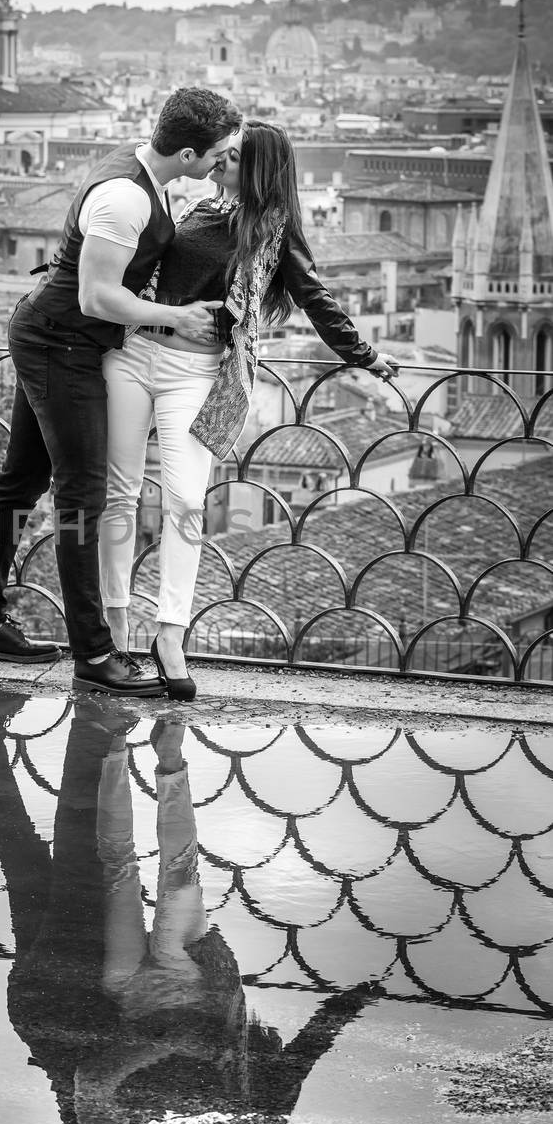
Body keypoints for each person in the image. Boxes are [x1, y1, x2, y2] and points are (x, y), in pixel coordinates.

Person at [0, 689, 380, 1124]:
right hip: (109, 992)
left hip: (68, 996)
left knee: (83, 862)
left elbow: (92, 1080)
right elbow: (295, 1064)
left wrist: (165, 1041)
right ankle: (75, 736)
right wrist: (350, 1005)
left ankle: (85, 735)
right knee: (82, 861)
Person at [98, 120, 401, 700]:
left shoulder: (274, 233)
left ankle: (168, 634)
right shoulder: (195, 208)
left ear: (257, 168)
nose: (218, 162)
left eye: (231, 156)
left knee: (184, 501)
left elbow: (315, 297)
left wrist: (364, 354)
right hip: (134, 357)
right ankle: (113, 628)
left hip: (197, 370)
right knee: (120, 494)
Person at [0, 87, 243, 697]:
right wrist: (176, 319)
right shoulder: (123, 195)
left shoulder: (143, 174)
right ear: (189, 152)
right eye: (218, 153)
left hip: (61, 337)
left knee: (21, 481)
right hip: (62, 340)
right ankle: (93, 652)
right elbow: (95, 296)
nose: (222, 163)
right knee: (83, 494)